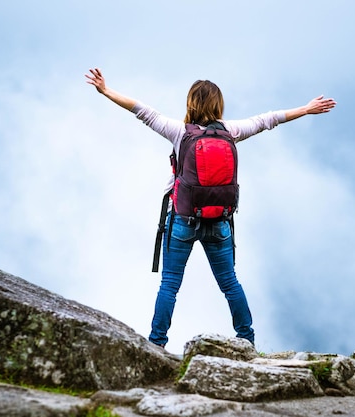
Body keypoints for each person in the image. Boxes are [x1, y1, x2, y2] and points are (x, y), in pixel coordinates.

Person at [85, 67, 336, 348]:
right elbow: (269, 119)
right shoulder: (231, 132)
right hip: (219, 222)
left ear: (191, 103)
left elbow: (143, 111)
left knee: (170, 285)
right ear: (218, 105)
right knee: (230, 283)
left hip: (182, 220)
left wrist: (106, 91)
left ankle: (156, 344)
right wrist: (306, 109)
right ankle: (247, 340)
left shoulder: (180, 132)